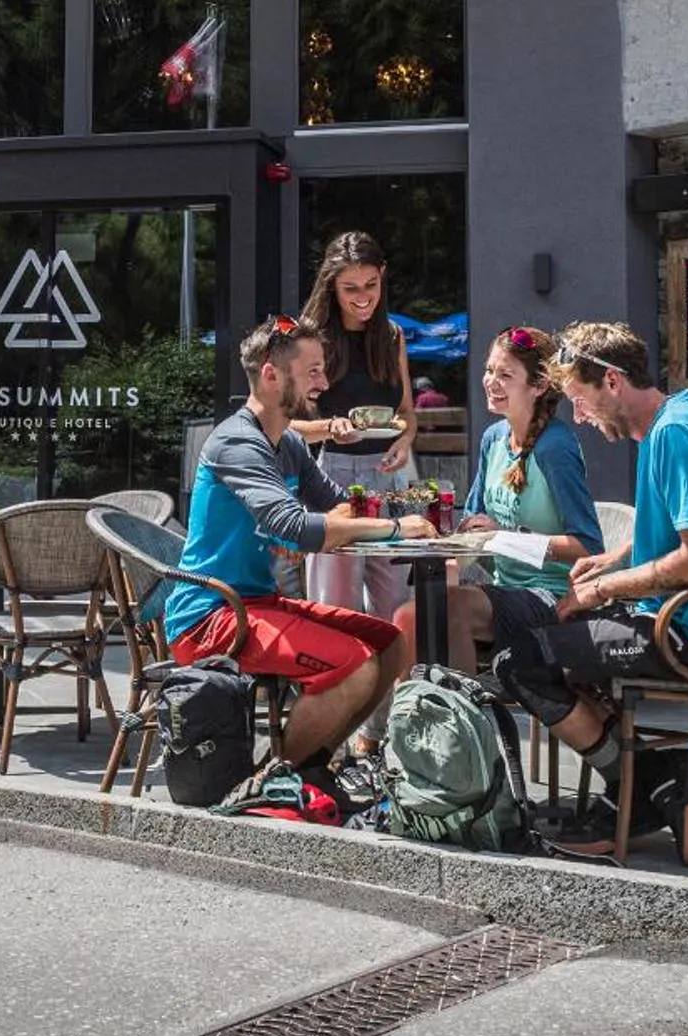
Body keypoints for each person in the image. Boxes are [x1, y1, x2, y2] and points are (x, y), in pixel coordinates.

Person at [494, 320, 688, 862]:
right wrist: (615, 558)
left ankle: (642, 789)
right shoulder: (671, 425)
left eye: (581, 400)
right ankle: (653, 782)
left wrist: (604, 590)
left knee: (519, 663)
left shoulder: (678, 434)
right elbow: (677, 534)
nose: (579, 417)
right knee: (547, 645)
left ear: (612, 382)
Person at [167, 314, 436, 773]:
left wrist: (413, 513)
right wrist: (393, 530)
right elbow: (294, 525)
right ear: (271, 375)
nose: (325, 382)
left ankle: (315, 769)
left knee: (390, 643)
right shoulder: (237, 442)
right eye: (312, 371)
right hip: (210, 615)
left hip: (257, 603)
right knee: (354, 665)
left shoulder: (287, 442)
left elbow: (337, 507)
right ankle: (278, 780)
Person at [396, 326, 603, 674]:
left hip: (554, 596)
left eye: (505, 375)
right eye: (489, 370)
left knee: (449, 610)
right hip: (503, 590)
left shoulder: (555, 448)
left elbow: (589, 546)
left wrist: (505, 537)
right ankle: (412, 721)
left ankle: (463, 720)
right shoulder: (494, 439)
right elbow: (473, 524)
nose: (491, 381)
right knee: (410, 616)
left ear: (539, 386)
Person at [294, 232, 416, 623]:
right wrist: (330, 427)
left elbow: (406, 412)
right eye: (350, 288)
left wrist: (406, 439)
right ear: (331, 286)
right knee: (338, 609)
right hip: (332, 477)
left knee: (396, 608)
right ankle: (345, 684)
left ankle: (398, 686)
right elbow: (286, 424)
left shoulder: (392, 335)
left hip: (390, 479)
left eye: (371, 285)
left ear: (383, 275)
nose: (363, 297)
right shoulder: (311, 340)